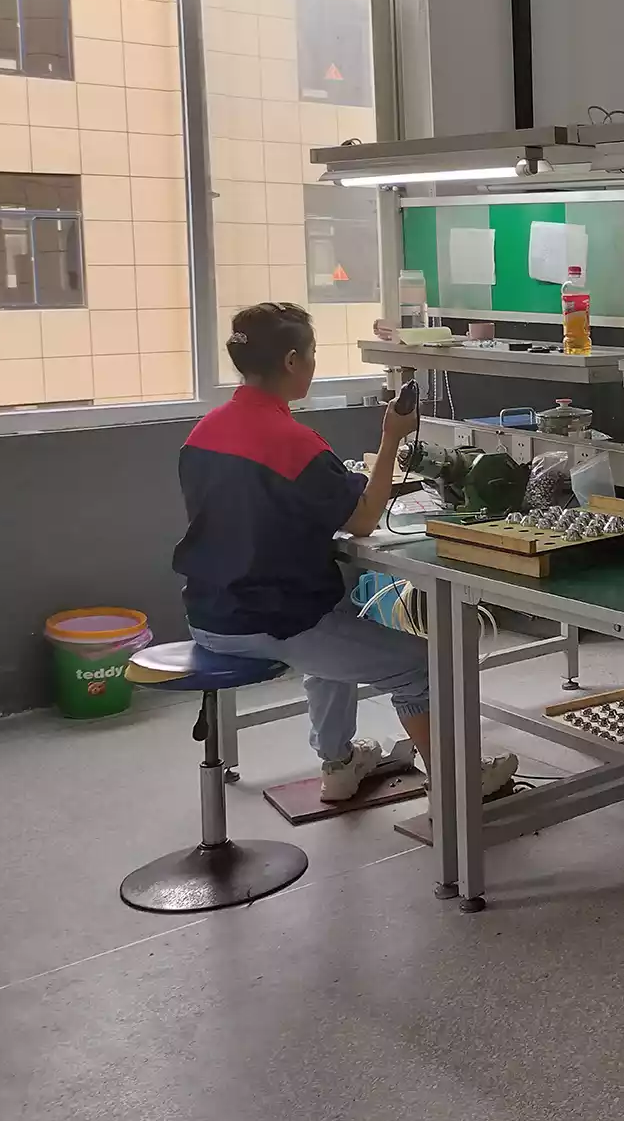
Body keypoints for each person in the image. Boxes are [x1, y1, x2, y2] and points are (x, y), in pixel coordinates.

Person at [173, 303, 517, 802]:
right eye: (311, 354)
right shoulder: (293, 442)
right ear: (292, 361)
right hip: (271, 621)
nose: (312, 365)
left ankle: (339, 764)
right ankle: (459, 783)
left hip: (209, 614)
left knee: (335, 612)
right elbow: (362, 519)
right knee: (422, 665)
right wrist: (391, 437)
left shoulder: (203, 432)